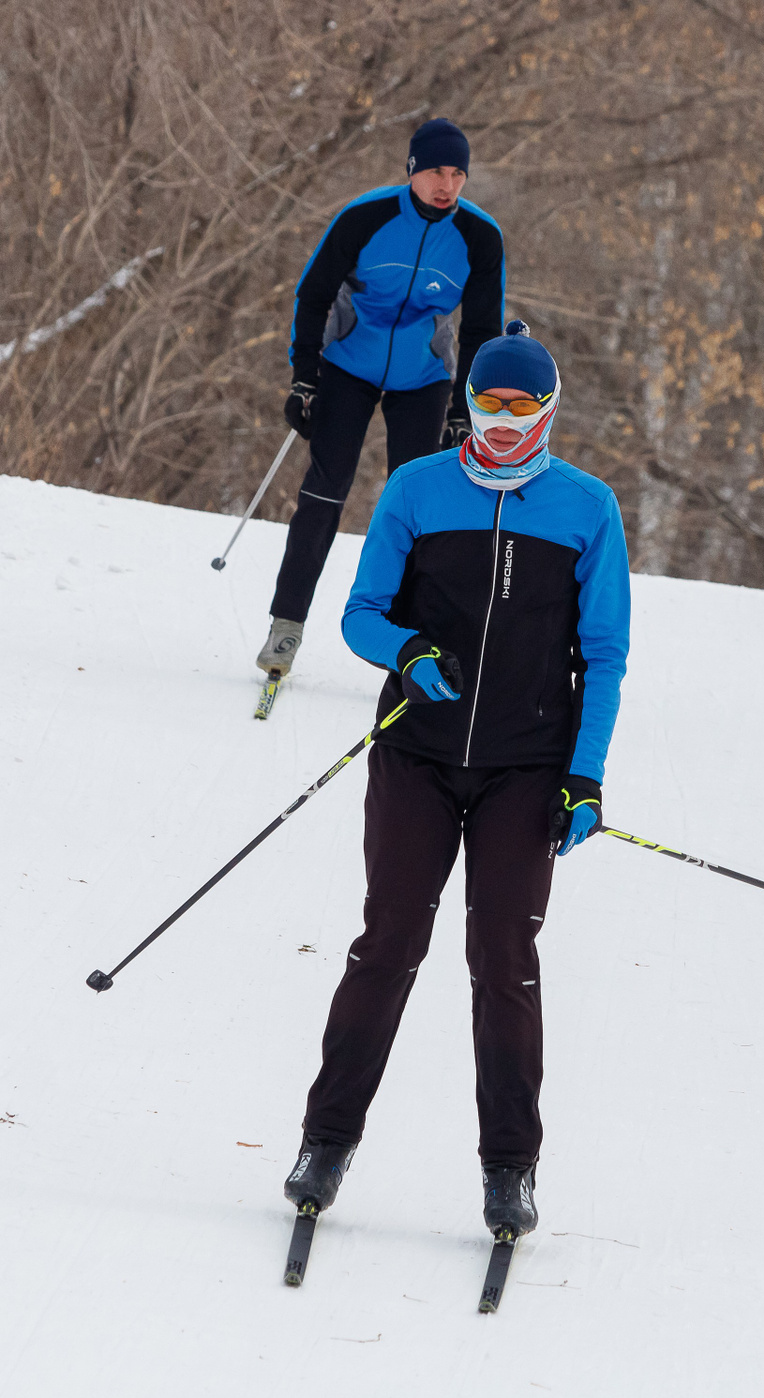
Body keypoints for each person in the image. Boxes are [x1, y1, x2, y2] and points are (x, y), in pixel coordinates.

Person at [282, 321, 630, 1241]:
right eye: (489, 402)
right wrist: (408, 651)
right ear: (467, 402)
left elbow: (604, 656)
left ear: (549, 409)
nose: (504, 421)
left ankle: (509, 1167)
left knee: (504, 960)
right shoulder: (417, 488)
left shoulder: (587, 508)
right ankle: (326, 1142)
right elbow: (360, 615)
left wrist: (584, 777)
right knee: (389, 943)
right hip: (417, 756)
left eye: (523, 405)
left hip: (527, 768)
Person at [256, 117, 505, 678]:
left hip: (424, 377)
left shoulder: (479, 238)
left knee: (414, 507)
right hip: (348, 366)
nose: (447, 184)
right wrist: (304, 377)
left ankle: (413, 646)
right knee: (324, 492)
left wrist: (464, 411)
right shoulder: (365, 217)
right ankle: (285, 627)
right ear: (412, 169)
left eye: (458, 174)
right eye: (436, 171)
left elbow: (481, 331)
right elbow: (313, 294)